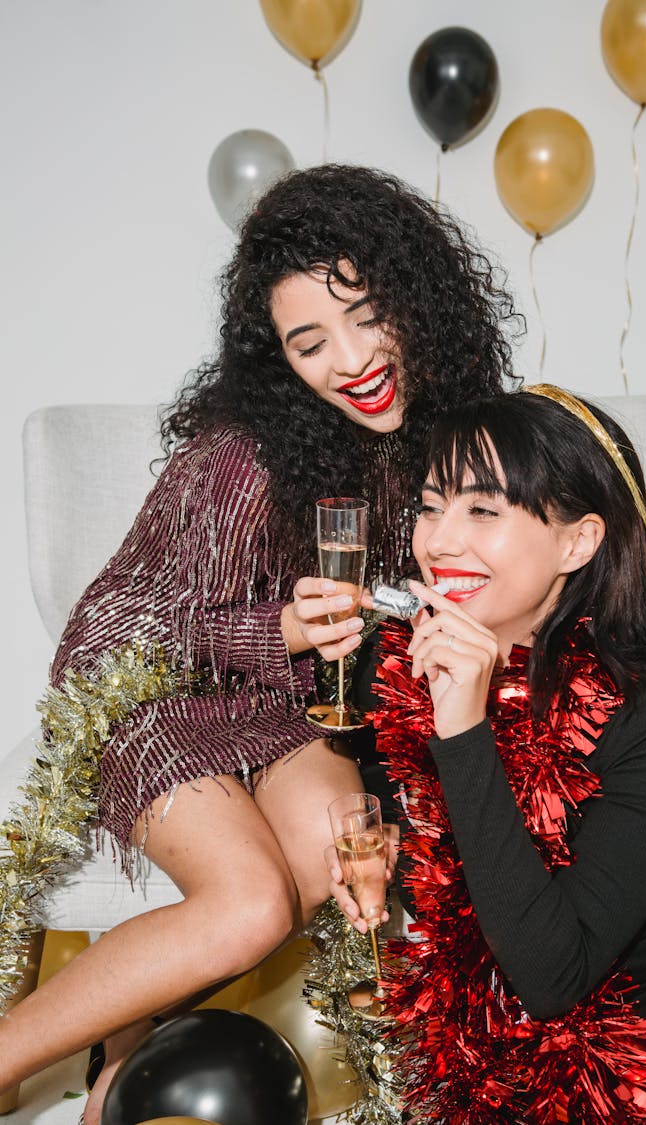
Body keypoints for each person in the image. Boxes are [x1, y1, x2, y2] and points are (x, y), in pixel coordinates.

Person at [0, 164, 520, 1123]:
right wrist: (274, 628)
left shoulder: (448, 445)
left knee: (335, 856)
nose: (350, 359)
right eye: (310, 342)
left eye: (367, 315)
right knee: (251, 907)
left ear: (418, 298)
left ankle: (125, 1061)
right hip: (158, 702)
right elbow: (103, 632)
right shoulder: (243, 455)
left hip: (282, 712)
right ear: (279, 358)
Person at [328, 386, 646, 1123]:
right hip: (478, 1071)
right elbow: (380, 789)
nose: (439, 541)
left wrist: (463, 728)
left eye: (483, 510)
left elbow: (556, 977)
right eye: (432, 505)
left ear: (578, 541)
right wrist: (387, 846)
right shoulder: (397, 662)